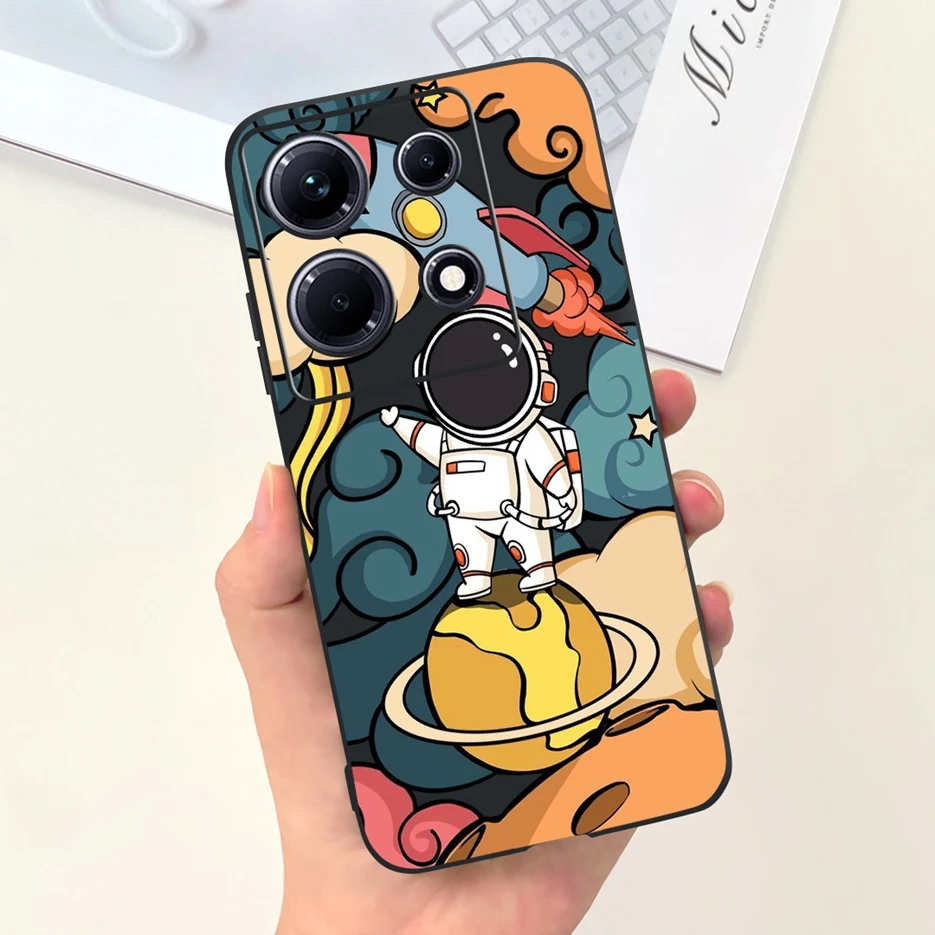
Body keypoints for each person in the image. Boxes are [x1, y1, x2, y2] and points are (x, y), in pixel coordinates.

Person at [215, 369, 734, 935]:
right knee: (484, 566)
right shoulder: (459, 441)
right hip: (471, 528)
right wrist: (395, 420)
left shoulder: (532, 439)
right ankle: (488, 578)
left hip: (521, 523)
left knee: (543, 560)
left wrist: (558, 500)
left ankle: (529, 572)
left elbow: (550, 465)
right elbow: (427, 438)